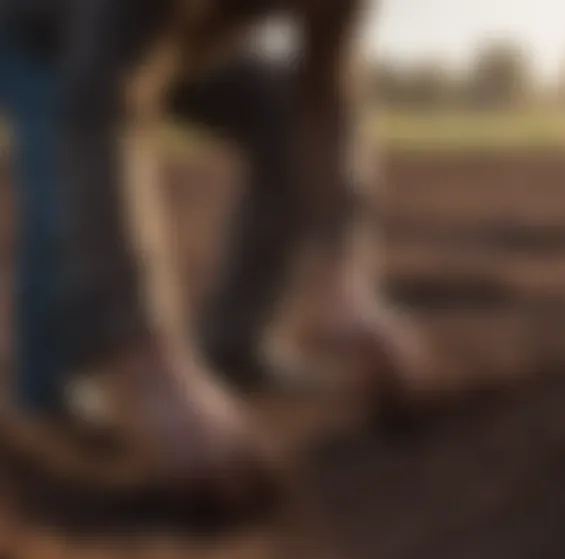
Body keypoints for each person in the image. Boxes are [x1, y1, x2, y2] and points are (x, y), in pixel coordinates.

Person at [1, 0, 428, 489]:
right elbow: (100, 105)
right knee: (62, 179)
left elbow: (325, 97)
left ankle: (236, 342)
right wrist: (155, 371)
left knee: (280, 119)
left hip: (175, 48)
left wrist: (346, 278)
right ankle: (47, 411)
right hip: (35, 35)